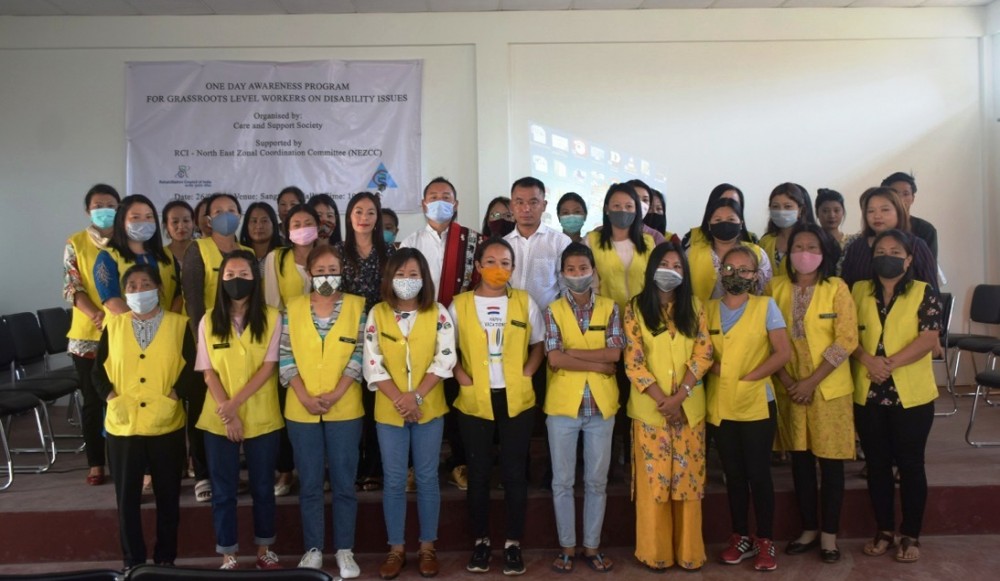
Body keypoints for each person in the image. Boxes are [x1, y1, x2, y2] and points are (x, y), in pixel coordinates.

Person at [449, 238, 546, 576]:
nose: (498, 268)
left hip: (515, 398)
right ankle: (480, 543)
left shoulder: (523, 302)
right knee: (477, 475)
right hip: (475, 399)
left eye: (505, 262)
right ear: (477, 266)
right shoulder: (458, 304)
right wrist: (460, 376)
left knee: (514, 473)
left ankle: (512, 544)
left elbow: (539, 343)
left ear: (513, 268)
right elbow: (446, 349)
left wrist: (529, 370)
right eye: (490, 261)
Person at [91, 264, 197, 570]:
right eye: (132, 286)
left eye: (145, 284)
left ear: (159, 289)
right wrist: (111, 397)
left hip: (166, 423)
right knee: (127, 500)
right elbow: (98, 373)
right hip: (124, 424)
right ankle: (132, 562)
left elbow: (192, 369)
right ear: (125, 293)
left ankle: (165, 559)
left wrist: (175, 395)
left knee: (168, 497)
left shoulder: (179, 324)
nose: (139, 291)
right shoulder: (114, 326)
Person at [363, 248, 457, 579]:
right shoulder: (377, 313)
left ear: (424, 278)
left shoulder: (439, 312)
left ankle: (427, 546)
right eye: (400, 275)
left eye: (414, 274)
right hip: (390, 411)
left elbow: (445, 358)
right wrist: (401, 400)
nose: (407, 281)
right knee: (393, 480)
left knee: (428, 478)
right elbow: (372, 362)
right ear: (389, 278)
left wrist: (415, 396)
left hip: (428, 408)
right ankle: (396, 549)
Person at [850, 229, 941, 564]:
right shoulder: (858, 290)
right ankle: (884, 530)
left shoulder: (924, 291)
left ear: (909, 259)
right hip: (869, 393)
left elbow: (929, 337)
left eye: (895, 250)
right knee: (876, 466)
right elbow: (847, 334)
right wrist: (867, 360)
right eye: (880, 250)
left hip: (911, 397)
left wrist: (888, 364)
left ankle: (911, 533)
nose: (887, 255)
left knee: (911, 465)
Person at [770, 224, 858, 564]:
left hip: (828, 389)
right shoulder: (774, 287)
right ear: (789, 252)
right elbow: (763, 337)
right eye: (798, 246)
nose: (804, 253)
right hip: (788, 387)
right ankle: (808, 529)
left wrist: (810, 382)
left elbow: (846, 339)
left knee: (831, 465)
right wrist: (789, 380)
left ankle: (830, 536)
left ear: (823, 253)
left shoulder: (836, 288)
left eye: (812, 246)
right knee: (801, 462)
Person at [624, 243, 713, 572]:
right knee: (655, 485)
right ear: (651, 269)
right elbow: (634, 362)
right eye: (664, 263)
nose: (671, 270)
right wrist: (664, 400)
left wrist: (680, 398)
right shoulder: (635, 308)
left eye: (678, 265)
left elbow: (703, 354)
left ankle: (690, 553)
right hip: (650, 412)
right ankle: (655, 553)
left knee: (688, 484)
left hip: (689, 411)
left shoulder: (694, 306)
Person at [280, 244, 366, 578]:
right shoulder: (293, 306)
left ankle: (345, 550)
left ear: (342, 272)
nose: (326, 276)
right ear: (310, 273)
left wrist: (337, 392)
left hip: (344, 407)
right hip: (301, 409)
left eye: (333, 270)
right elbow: (285, 354)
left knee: (345, 483)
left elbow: (360, 353)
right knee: (311, 483)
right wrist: (302, 394)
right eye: (320, 271)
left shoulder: (358, 306)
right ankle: (313, 549)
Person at [195, 250, 283, 570]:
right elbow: (208, 372)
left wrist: (235, 405)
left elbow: (268, 368)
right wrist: (228, 411)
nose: (236, 281)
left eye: (243, 274)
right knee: (224, 489)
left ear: (255, 279)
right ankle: (228, 553)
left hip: (261, 414)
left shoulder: (273, 317)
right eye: (230, 275)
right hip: (218, 417)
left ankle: (264, 551)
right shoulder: (208, 319)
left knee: (263, 487)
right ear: (221, 280)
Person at [706, 246, 791, 572]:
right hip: (721, 404)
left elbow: (782, 352)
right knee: (735, 475)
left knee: (758, 474)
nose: (736, 275)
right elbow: (702, 355)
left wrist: (751, 377)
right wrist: (726, 374)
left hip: (757, 402)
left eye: (744, 270)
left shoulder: (766, 306)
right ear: (720, 272)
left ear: (756, 275)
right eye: (729, 269)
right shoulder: (708, 309)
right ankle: (739, 535)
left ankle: (765, 539)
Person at [399, 177, 484, 491]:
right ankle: (414, 467)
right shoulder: (408, 244)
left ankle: (459, 463)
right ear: (423, 204)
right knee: (420, 395)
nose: (439, 201)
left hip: (462, 336)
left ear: (456, 204)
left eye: (446, 196)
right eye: (433, 196)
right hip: (419, 337)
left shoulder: (475, 242)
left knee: (458, 401)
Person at [544, 243, 624, 573]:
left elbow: (615, 355)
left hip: (600, 407)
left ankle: (591, 546)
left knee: (596, 481)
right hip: (563, 407)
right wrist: (597, 360)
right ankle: (566, 547)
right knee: (562, 481)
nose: (578, 275)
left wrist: (572, 355)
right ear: (562, 274)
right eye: (571, 270)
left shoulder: (610, 307)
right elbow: (553, 357)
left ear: (594, 271)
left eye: (583, 268)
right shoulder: (552, 310)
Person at [182, 192, 253, 502]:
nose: (226, 215)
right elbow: (193, 301)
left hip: (243, 342)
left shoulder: (247, 251)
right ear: (208, 220)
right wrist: (203, 347)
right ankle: (203, 474)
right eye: (219, 211)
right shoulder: (198, 250)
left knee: (238, 403)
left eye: (232, 210)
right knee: (204, 407)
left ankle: (233, 469)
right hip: (207, 342)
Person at [336, 191, 395, 493]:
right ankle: (346, 468)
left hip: (381, 339)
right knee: (348, 404)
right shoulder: (336, 253)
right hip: (343, 339)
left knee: (374, 404)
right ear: (349, 216)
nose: (364, 218)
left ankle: (372, 468)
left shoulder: (391, 253)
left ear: (378, 217)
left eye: (370, 212)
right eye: (358, 212)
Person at [64, 183, 121, 486]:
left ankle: (123, 457)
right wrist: (96, 314)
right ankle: (96, 463)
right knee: (93, 399)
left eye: (110, 204)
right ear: (88, 210)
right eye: (98, 205)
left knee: (121, 397)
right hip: (88, 333)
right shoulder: (75, 242)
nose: (104, 210)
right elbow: (72, 286)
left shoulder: (128, 241)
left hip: (124, 332)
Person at [94, 194, 182, 317]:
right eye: (135, 217)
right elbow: (110, 299)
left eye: (149, 217)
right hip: (125, 330)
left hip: (165, 330)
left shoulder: (166, 255)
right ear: (121, 220)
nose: (143, 222)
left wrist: (167, 321)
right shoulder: (108, 256)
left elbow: (179, 292)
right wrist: (142, 324)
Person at [839, 187, 937, 291]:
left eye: (885, 210)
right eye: (871, 211)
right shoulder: (857, 247)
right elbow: (845, 289)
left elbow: (931, 290)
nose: (877, 216)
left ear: (898, 211)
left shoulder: (916, 245)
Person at [686, 198, 772, 303]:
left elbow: (766, 292)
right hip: (702, 316)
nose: (724, 224)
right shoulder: (692, 253)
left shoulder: (757, 253)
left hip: (750, 316)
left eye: (731, 219)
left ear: (741, 223)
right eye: (718, 220)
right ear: (709, 224)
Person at [264, 204, 319, 312]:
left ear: (317, 226)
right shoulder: (275, 258)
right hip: (287, 325)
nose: (303, 229)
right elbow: (272, 303)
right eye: (297, 225)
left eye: (308, 224)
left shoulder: (327, 258)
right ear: (288, 230)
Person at [758, 183, 814, 281]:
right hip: (768, 295)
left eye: (788, 206)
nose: (781, 211)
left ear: (800, 210)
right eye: (775, 206)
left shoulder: (812, 241)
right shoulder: (765, 241)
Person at [681, 183, 759, 249]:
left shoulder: (752, 240)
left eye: (733, 202)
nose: (727, 205)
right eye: (722, 201)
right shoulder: (691, 237)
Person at [881, 172, 937, 259]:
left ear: (913, 198)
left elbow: (929, 267)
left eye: (906, 194)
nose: (900, 199)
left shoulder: (926, 230)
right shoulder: (878, 225)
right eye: (895, 193)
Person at [625, 179, 667, 245]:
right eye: (636, 198)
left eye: (645, 200)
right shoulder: (604, 232)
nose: (641, 204)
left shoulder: (656, 237)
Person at [239, 202, 282, 268]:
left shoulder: (284, 254)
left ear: (273, 224)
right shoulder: (238, 252)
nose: (259, 226)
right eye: (254, 221)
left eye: (264, 221)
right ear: (246, 225)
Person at [162, 200, 195, 270]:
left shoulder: (203, 251)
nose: (181, 226)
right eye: (175, 222)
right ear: (166, 226)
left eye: (186, 220)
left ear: (193, 223)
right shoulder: (160, 255)